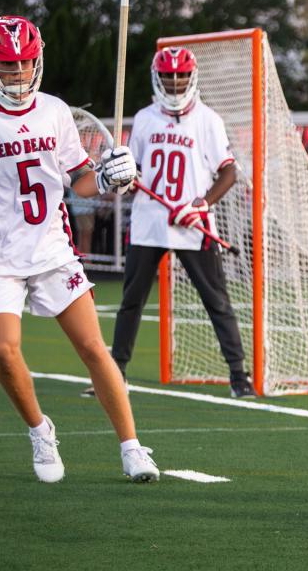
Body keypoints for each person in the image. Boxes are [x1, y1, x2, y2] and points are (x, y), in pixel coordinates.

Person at [0, 15, 159, 482]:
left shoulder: (54, 110)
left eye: (24, 64)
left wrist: (112, 178)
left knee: (95, 349)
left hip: (52, 248)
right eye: (7, 66)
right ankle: (39, 429)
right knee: (4, 352)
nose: (17, 75)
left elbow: (81, 180)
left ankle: (132, 448)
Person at [84, 46, 255, 399]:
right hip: (149, 221)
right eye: (168, 76)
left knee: (216, 301)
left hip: (191, 223)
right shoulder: (145, 117)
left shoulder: (208, 119)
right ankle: (116, 375)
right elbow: (138, 171)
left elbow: (229, 172)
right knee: (131, 300)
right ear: (157, 78)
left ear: (191, 78)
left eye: (180, 76)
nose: (174, 82)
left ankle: (239, 376)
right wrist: (128, 179)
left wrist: (201, 204)